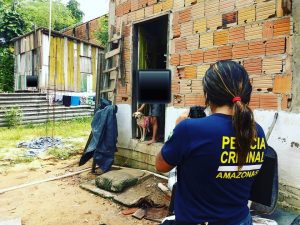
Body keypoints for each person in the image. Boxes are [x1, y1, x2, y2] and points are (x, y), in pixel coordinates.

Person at [156, 60, 267, 225]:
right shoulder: (257, 131)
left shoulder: (189, 129)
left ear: (208, 95)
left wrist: (176, 130)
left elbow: (161, 166)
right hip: (242, 220)